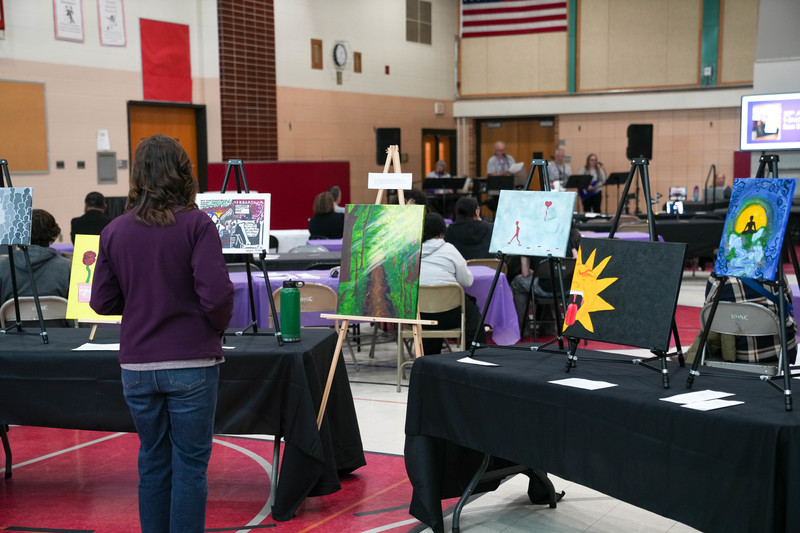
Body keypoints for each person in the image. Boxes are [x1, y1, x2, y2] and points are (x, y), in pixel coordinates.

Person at [90, 135, 234, 533]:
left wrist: (142, 302)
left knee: (153, 460)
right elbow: (217, 295)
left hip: (137, 367)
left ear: (138, 175)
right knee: (190, 465)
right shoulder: (197, 225)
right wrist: (215, 326)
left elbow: (101, 302)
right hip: (191, 362)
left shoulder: (115, 231)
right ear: (183, 173)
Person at [687, 274, 797, 364]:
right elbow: (789, 303)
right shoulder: (775, 271)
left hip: (739, 353)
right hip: (781, 350)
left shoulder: (718, 276)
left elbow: (709, 313)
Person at [419, 212, 486, 354]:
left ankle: (429, 358)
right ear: (442, 232)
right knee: (472, 312)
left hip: (421, 316)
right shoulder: (449, 250)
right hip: (449, 315)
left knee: (429, 308)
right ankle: (476, 354)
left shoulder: (411, 252)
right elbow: (467, 281)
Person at [510, 227, 581, 336]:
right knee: (552, 278)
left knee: (517, 282)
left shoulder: (529, 240)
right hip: (566, 288)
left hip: (544, 288)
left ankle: (521, 328)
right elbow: (576, 262)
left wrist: (538, 271)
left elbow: (525, 273)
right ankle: (550, 327)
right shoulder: (565, 237)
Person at [0, 209, 72, 304]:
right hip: (56, 319)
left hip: (13, 319)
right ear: (53, 233)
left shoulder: (3, 267)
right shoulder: (68, 268)